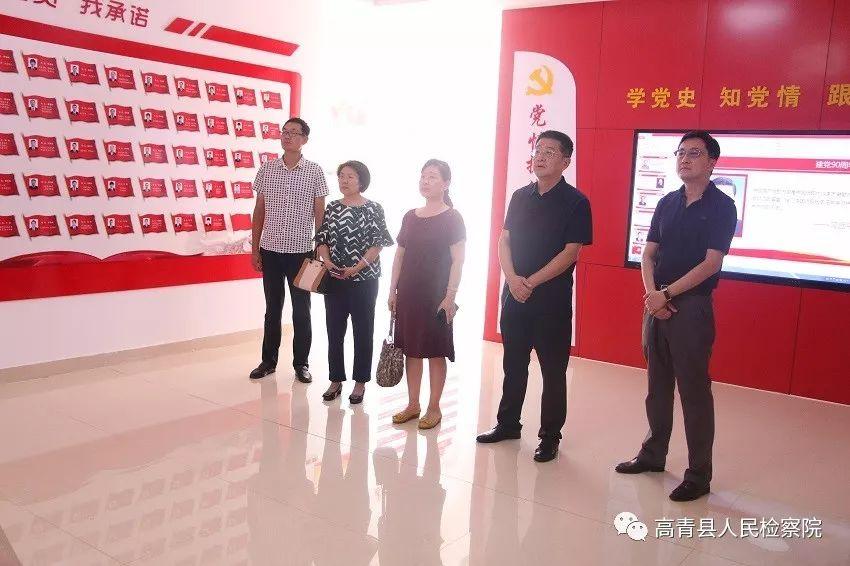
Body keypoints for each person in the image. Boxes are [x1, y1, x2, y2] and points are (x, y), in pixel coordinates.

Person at [615, 131, 737, 502]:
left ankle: (698, 475)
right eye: (680, 152)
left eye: (694, 153)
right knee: (657, 386)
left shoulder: (722, 206)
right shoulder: (667, 202)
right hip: (656, 305)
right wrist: (653, 297)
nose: (684, 158)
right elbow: (648, 254)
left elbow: (712, 263)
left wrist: (666, 295)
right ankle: (653, 455)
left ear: (712, 162)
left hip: (692, 307)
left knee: (694, 392)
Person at [476, 130, 592, 463]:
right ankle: (507, 424)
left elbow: (570, 253)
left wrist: (530, 283)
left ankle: (550, 436)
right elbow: (505, 240)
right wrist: (513, 280)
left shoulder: (576, 202)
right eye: (538, 150)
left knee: (553, 371)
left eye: (550, 152)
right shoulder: (520, 196)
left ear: (565, 161)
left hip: (551, 301)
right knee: (513, 364)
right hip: (514, 295)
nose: (540, 156)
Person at [388, 159, 466, 429]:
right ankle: (413, 404)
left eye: (432, 176)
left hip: (437, 295)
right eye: (423, 176)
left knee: (435, 350)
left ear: (446, 183)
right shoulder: (410, 216)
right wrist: (392, 290)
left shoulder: (453, 218)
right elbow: (400, 255)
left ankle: (434, 407)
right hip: (409, 293)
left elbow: (458, 260)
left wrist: (450, 295)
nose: (425, 181)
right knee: (411, 349)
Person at [249, 117, 328, 382]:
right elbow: (259, 211)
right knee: (272, 309)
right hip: (270, 250)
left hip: (302, 252)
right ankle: (268, 361)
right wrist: (255, 249)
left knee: (301, 311)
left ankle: (301, 364)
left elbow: (320, 214)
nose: (287, 136)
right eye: (285, 132)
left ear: (304, 139)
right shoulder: (267, 169)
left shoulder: (315, 171)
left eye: (294, 132)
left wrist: (320, 247)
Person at [315, 160, 393, 404]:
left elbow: (378, 244)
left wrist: (356, 268)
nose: (344, 180)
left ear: (361, 181)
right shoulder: (332, 207)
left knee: (363, 331)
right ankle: (335, 379)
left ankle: (360, 383)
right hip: (335, 279)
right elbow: (322, 239)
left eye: (350, 176)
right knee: (334, 330)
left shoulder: (373, 208)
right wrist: (327, 262)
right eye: (341, 176)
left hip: (364, 280)